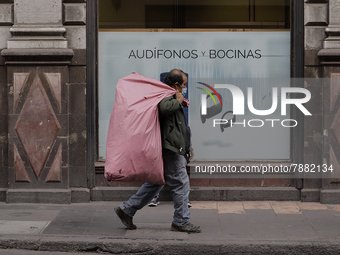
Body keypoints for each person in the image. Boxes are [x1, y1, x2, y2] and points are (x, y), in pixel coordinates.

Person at [114, 69, 201, 233]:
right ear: (176, 85)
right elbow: (163, 108)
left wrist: (187, 147)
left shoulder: (170, 95)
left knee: (156, 182)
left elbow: (179, 126)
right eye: (183, 85)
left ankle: (127, 209)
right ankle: (181, 221)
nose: (184, 88)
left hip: (172, 147)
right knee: (181, 185)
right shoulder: (165, 95)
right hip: (170, 149)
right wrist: (178, 100)